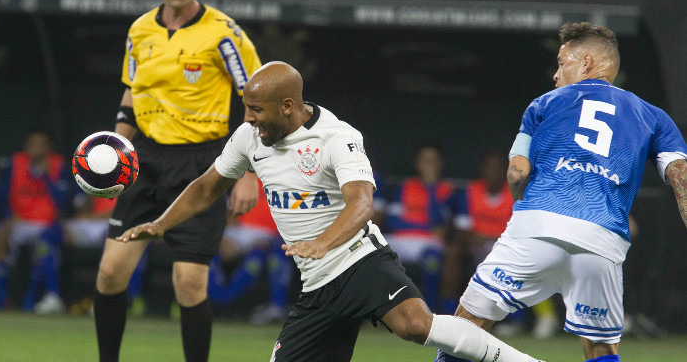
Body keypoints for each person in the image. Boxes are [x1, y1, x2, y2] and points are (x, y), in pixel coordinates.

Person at [120, 61, 543, 362]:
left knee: (415, 325)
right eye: (247, 109)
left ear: (288, 105)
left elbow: (362, 203)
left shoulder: (337, 137)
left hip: (359, 261)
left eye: (257, 110)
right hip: (317, 285)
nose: (249, 119)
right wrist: (160, 224)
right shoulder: (249, 138)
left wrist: (323, 242)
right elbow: (207, 186)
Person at [435, 22, 687, 362]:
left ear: (585, 63)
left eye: (561, 62)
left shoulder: (544, 103)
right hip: (602, 239)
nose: (556, 74)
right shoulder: (655, 117)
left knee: (464, 329)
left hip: (537, 226)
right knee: (600, 349)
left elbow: (517, 174)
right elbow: (679, 175)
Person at [93, 0, 262, 361]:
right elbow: (131, 94)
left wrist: (248, 171)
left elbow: (258, 100)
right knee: (110, 273)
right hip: (145, 160)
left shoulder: (224, 34)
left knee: (188, 282)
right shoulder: (140, 30)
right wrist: (114, 151)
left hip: (201, 164)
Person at [454, 152, 559, 339]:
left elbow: (523, 227)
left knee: (525, 262)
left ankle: (529, 319)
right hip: (476, 249)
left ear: (505, 171)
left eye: (497, 168)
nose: (493, 172)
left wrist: (495, 240)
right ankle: (464, 318)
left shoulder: (516, 192)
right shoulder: (472, 190)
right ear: (482, 170)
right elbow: (463, 230)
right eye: (489, 167)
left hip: (508, 246)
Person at [0, 130, 71, 313]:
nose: (36, 148)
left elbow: (63, 202)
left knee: (43, 244)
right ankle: (1, 297)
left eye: (41, 144)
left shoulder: (58, 165)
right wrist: (8, 216)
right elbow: (1, 195)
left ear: (48, 147)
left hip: (46, 223)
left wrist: (47, 177)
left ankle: (31, 298)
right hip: (18, 221)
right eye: (32, 144)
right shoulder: (15, 163)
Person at [208, 178, 292, 325]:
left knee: (259, 257)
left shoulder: (287, 177)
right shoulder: (246, 173)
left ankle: (275, 308)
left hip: (270, 233)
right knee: (208, 246)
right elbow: (228, 206)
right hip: (239, 230)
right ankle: (214, 300)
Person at [385, 144, 458, 311]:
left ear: (440, 164)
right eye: (425, 161)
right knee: (375, 252)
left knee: (432, 259)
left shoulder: (447, 190)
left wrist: (431, 187)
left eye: (433, 161)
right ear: (417, 164)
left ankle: (429, 311)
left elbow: (438, 223)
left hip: (429, 242)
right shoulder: (404, 187)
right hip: (402, 239)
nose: (429, 165)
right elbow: (393, 222)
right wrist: (422, 226)